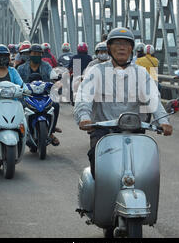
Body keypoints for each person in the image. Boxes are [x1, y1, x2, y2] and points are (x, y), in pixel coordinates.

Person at [74, 27, 173, 178]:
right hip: (104, 129)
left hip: (134, 128)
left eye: (126, 44)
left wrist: (163, 121)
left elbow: (152, 98)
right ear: (109, 48)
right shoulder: (97, 71)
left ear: (132, 49)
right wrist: (84, 117)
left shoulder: (140, 72)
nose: (121, 47)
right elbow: (84, 96)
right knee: (97, 164)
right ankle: (98, 197)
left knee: (146, 169)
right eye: (117, 43)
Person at [17, 44, 61, 146]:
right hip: (27, 96)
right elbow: (17, 82)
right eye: (34, 53)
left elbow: (53, 76)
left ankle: (51, 131)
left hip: (44, 95)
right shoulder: (21, 68)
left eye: (39, 53)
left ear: (42, 55)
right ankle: (20, 131)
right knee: (19, 106)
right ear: (30, 54)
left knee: (55, 105)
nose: (36, 55)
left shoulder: (47, 66)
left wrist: (56, 82)